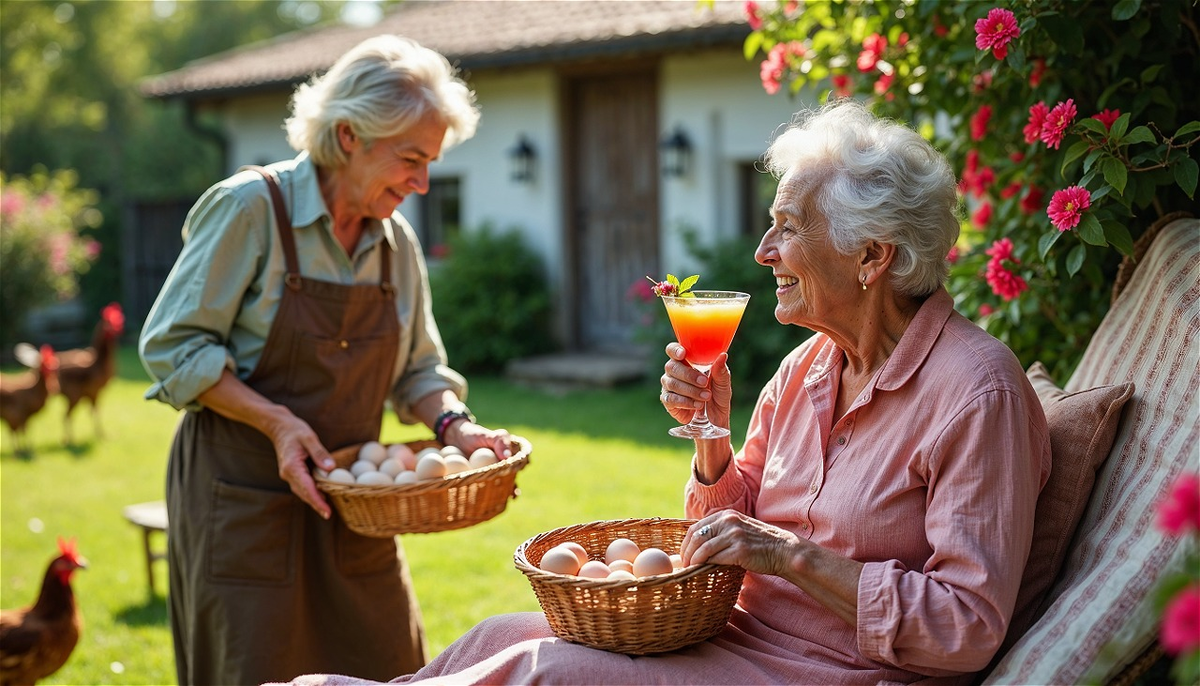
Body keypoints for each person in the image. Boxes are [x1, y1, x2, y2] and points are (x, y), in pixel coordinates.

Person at [278, 100, 1050, 686]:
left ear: (872, 256)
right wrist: (713, 440)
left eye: (786, 227)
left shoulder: (976, 392)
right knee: (495, 639)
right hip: (733, 638)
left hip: (830, 671)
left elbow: (969, 625)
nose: (762, 250)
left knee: (543, 674)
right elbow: (729, 528)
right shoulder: (809, 368)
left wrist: (790, 557)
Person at [138, 35, 512, 686]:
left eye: (430, 163)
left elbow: (419, 370)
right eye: (410, 159)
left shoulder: (396, 245)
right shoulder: (250, 209)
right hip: (244, 500)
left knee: (389, 664)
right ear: (347, 137)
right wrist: (279, 423)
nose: (422, 183)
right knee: (252, 668)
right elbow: (173, 346)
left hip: (353, 508)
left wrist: (456, 426)